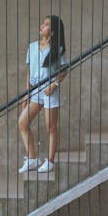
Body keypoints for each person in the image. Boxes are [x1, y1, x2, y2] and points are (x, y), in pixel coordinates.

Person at [18, 15, 68, 174]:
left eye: (46, 25)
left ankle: (50, 162)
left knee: (50, 126)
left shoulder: (57, 49)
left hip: (49, 90)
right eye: (42, 23)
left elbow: (64, 70)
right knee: (23, 123)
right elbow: (29, 72)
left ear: (52, 32)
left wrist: (54, 85)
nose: (42, 26)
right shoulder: (32, 47)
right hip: (35, 91)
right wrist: (27, 93)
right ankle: (33, 160)